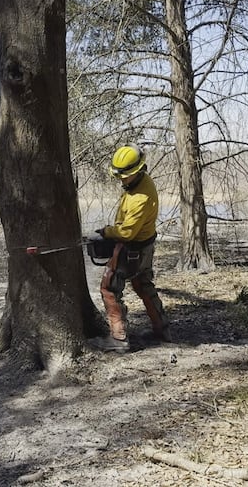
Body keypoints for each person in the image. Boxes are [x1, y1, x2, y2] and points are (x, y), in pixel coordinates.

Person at [90, 144, 171, 352]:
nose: (122, 180)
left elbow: (127, 233)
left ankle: (118, 339)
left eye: (125, 176)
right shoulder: (140, 182)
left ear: (136, 171)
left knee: (109, 288)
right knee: (143, 284)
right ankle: (162, 329)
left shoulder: (140, 198)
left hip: (132, 248)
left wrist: (107, 232)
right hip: (145, 245)